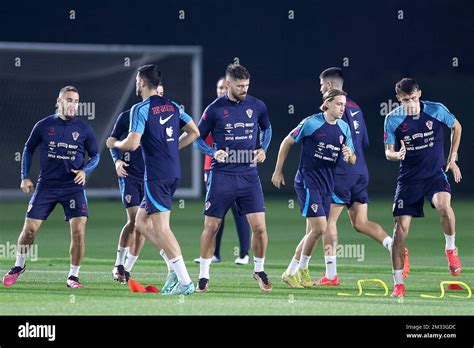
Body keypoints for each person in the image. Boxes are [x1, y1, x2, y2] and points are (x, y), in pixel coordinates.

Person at [281, 67, 409, 288]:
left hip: (338, 172)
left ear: (329, 86)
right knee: (360, 222)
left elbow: (334, 140)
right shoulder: (356, 107)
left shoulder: (334, 110)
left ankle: (324, 273)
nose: (320, 88)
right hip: (361, 171)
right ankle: (393, 245)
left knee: (322, 224)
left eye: (322, 85)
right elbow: (365, 142)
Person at [107, 64, 200, 295]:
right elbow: (195, 131)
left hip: (156, 175)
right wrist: (172, 148)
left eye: (137, 81)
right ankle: (172, 266)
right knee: (140, 221)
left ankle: (185, 281)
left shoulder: (141, 108)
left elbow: (133, 143)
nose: (136, 85)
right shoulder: (173, 106)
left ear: (141, 82)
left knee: (162, 229)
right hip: (172, 172)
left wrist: (114, 144)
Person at [2, 86, 100, 289]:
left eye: (76, 101)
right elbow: (28, 149)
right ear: (59, 101)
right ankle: (19, 266)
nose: (73, 104)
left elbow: (96, 155)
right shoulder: (44, 125)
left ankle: (73, 276)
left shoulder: (84, 129)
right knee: (29, 231)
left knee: (79, 232)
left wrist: (84, 170)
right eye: (69, 100)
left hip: (73, 187)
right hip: (46, 186)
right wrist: (25, 177)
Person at [193, 64, 273, 292]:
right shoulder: (215, 109)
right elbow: (198, 138)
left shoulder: (257, 105)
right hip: (222, 175)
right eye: (240, 86)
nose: (244, 89)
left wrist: (264, 148)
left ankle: (258, 270)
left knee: (260, 227)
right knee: (211, 226)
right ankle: (204, 275)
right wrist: (212, 152)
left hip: (249, 174)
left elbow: (267, 128)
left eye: (247, 85)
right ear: (228, 84)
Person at [384, 78, 463, 298]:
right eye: (405, 99)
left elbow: (456, 126)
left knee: (444, 206)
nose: (410, 103)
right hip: (408, 180)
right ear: (398, 98)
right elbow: (387, 151)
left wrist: (452, 158)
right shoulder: (393, 119)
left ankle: (450, 250)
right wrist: (395, 155)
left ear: (419, 93)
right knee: (399, 233)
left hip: (434, 175)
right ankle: (398, 284)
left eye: (413, 98)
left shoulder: (436, 110)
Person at [272, 89, 356, 289]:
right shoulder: (311, 123)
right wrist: (278, 171)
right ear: (327, 104)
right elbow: (287, 141)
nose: (342, 108)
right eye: (338, 104)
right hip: (308, 182)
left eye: (344, 105)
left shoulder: (344, 128)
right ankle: (303, 269)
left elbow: (353, 160)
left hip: (327, 185)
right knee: (320, 228)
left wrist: (349, 155)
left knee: (312, 233)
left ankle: (289, 272)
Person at [194, 77, 251, 265]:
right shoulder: (213, 110)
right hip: (211, 166)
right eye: (219, 87)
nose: (221, 90)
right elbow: (198, 137)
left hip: (236, 167)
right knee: (216, 212)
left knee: (239, 211)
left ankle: (244, 254)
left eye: (225, 87)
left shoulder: (239, 110)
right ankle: (214, 253)